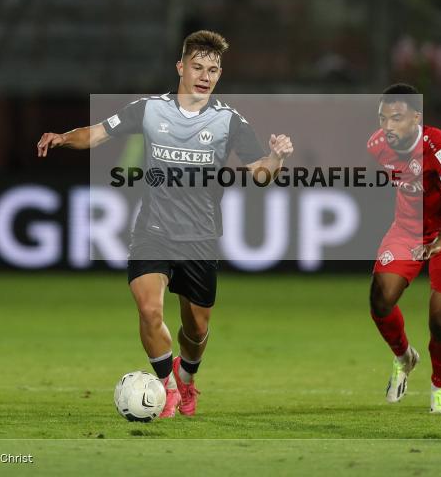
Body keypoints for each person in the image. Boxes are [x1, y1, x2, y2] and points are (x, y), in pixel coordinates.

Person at [37, 30, 293, 418]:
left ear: (219, 75)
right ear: (180, 67)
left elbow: (260, 174)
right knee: (149, 310)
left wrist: (276, 159)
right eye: (197, 67)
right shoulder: (149, 109)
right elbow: (97, 133)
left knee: (197, 329)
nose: (204, 76)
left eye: (212, 70)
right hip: (153, 232)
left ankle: (186, 378)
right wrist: (63, 137)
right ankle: (168, 388)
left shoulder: (229, 121)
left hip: (200, 238)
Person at [366, 83, 441, 413]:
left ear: (416, 118)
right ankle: (404, 357)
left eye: (396, 118)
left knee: (440, 320)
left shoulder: (440, 146)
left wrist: (440, 241)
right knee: (380, 299)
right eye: (383, 118)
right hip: (407, 230)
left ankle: (440, 385)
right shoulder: (377, 145)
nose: (388, 127)